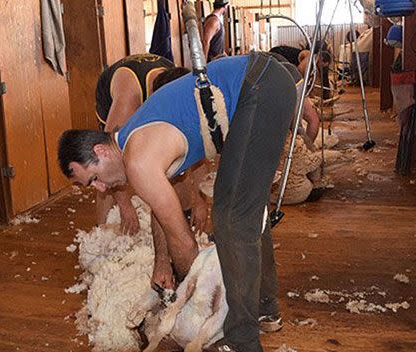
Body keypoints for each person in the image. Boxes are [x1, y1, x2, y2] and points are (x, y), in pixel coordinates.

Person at [59, 52, 297, 352]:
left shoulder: (138, 162)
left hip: (259, 86)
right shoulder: (134, 138)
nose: (102, 188)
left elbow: (182, 240)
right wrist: (162, 261)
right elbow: (164, 213)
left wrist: (187, 299)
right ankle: (264, 309)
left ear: (101, 152)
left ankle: (242, 341)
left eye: (93, 178)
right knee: (239, 210)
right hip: (263, 82)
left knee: (233, 217)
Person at [94, 53, 192, 235]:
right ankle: (102, 234)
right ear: (156, 98)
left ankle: (184, 218)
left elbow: (191, 144)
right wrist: (125, 206)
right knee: (106, 169)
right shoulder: (128, 101)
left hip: (144, 84)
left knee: (174, 156)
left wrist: (197, 201)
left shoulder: (178, 81)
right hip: (113, 95)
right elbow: (106, 159)